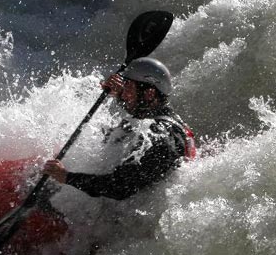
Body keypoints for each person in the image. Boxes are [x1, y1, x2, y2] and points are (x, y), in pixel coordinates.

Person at [42, 58, 196, 201]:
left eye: (128, 88)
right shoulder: (159, 118)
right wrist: (118, 94)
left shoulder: (161, 136)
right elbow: (133, 113)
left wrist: (66, 177)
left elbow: (121, 186)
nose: (124, 93)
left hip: (138, 220)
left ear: (149, 94)